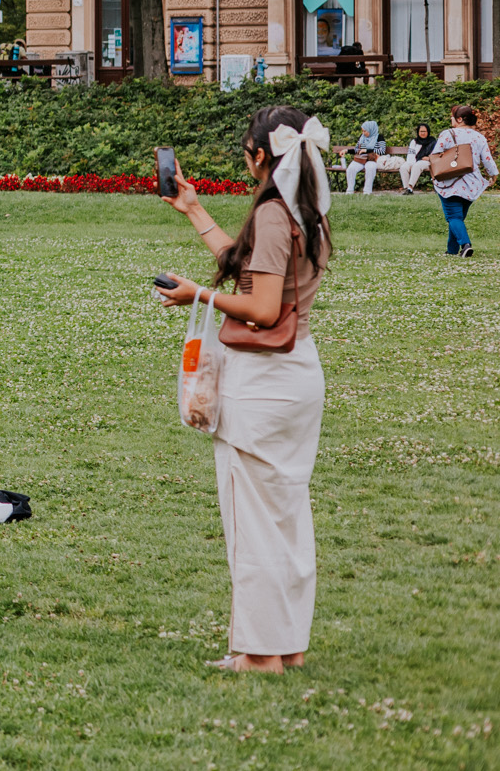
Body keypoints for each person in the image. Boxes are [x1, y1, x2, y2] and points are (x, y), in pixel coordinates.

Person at [157, 106, 332, 674]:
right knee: (285, 514)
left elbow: (258, 306)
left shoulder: (274, 215)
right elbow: (255, 273)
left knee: (252, 521)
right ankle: (289, 644)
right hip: (298, 370)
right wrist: (194, 210)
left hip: (264, 382)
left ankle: (259, 654)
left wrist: (197, 296)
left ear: (260, 155)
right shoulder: (308, 211)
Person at [432, 104, 497, 257]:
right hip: (471, 185)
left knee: (453, 217)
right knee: (457, 218)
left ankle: (465, 245)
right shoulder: (479, 137)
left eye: (452, 116)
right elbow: (487, 160)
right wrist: (493, 175)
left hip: (449, 183)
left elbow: (436, 155)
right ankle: (452, 250)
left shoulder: (447, 134)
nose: (451, 119)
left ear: (459, 119)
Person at [340, 120, 385, 194]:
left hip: (372, 159)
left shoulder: (379, 137)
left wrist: (367, 150)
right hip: (361, 159)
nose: (363, 133)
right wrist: (346, 150)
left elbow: (382, 151)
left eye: (365, 131)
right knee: (351, 169)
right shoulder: (362, 138)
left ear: (371, 130)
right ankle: (350, 190)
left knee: (370, 168)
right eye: (362, 131)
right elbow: (357, 150)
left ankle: (367, 191)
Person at [395, 122, 437, 195]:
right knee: (403, 167)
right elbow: (411, 155)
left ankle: (410, 187)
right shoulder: (414, 142)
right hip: (414, 161)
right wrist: (412, 164)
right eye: (421, 131)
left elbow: (436, 153)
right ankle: (407, 188)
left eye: (424, 131)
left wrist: (429, 158)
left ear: (428, 132)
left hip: (428, 162)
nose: (423, 133)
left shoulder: (432, 141)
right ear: (418, 132)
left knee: (417, 165)